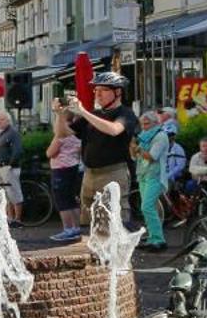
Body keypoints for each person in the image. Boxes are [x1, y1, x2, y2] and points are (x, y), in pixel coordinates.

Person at [64, 71, 137, 224]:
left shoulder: (126, 113)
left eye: (103, 90)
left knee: (114, 222)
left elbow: (114, 130)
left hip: (113, 173)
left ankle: (118, 248)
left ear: (117, 92)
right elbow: (63, 133)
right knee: (90, 222)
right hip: (89, 174)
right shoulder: (94, 114)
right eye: (96, 90)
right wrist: (59, 114)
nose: (98, 94)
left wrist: (83, 111)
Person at [46, 102, 84, 242]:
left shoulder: (62, 135)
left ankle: (68, 229)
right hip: (73, 167)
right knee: (71, 199)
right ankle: (76, 227)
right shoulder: (77, 135)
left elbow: (50, 152)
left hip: (61, 169)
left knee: (62, 201)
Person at [134, 109, 170, 253]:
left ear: (156, 123)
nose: (144, 126)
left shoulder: (161, 136)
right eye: (142, 124)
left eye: (147, 123)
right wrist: (134, 149)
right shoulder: (144, 136)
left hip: (155, 176)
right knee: (150, 208)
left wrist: (137, 150)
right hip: (143, 175)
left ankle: (158, 240)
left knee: (146, 207)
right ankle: (153, 238)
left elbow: (152, 156)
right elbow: (136, 156)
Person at [0, 111, 24, 222]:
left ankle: (17, 219)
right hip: (0, 167)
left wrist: (10, 164)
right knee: (6, 194)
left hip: (9, 168)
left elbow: (18, 150)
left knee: (14, 193)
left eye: (2, 120)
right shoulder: (2, 133)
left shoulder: (13, 133)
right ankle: (10, 218)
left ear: (8, 121)